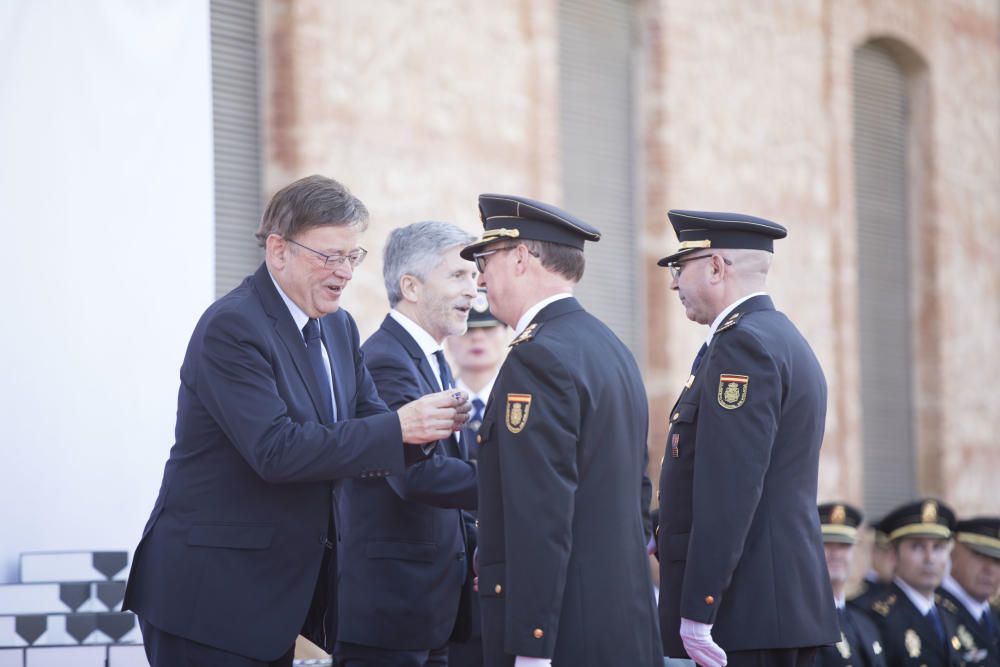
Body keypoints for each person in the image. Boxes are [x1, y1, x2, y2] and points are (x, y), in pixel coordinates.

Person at [123, 175, 469, 667]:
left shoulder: (339, 326)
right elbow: (276, 450)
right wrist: (399, 428)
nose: (345, 272)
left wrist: (424, 432)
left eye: (353, 257)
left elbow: (372, 425)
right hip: (210, 598)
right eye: (330, 256)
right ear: (278, 249)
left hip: (281, 601)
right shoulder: (233, 326)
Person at [462, 193, 662, 667]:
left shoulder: (538, 355)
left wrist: (533, 644)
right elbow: (636, 491)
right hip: (618, 621)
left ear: (520, 258)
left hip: (562, 633)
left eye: (485, 261)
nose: (480, 278)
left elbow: (540, 509)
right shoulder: (609, 346)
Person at [655, 210, 839, 667]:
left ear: (716, 267)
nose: (673, 284)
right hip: (775, 605)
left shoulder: (743, 345)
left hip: (744, 610)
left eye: (681, 268)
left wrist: (699, 609)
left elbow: (729, 488)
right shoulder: (782, 337)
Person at [333, 221, 480, 667]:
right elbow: (417, 474)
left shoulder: (430, 359)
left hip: (429, 610)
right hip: (391, 613)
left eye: (474, 277)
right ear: (410, 287)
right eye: (458, 276)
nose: (473, 292)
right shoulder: (386, 361)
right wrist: (518, 482)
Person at [446, 289, 509, 667]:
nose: (477, 339)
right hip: (448, 588)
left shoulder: (522, 401)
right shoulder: (431, 399)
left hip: (504, 578)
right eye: (469, 331)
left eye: (488, 329)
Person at [856, 499, 962, 667]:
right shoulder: (875, 616)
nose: (930, 559)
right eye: (917, 547)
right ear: (893, 555)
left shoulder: (947, 611)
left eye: (938, 547)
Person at [816, 502, 887, 667]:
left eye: (844, 545)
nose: (836, 554)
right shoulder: (801, 622)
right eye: (826, 543)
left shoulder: (864, 622)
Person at [936, 517, 1000, 667]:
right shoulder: (935, 612)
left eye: (997, 560)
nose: (989, 569)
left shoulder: (992, 616)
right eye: (979, 555)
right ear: (954, 553)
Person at [852, 517, 896, 610]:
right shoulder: (861, 591)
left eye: (896, 554)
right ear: (874, 552)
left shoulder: (891, 587)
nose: (894, 559)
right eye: (887, 552)